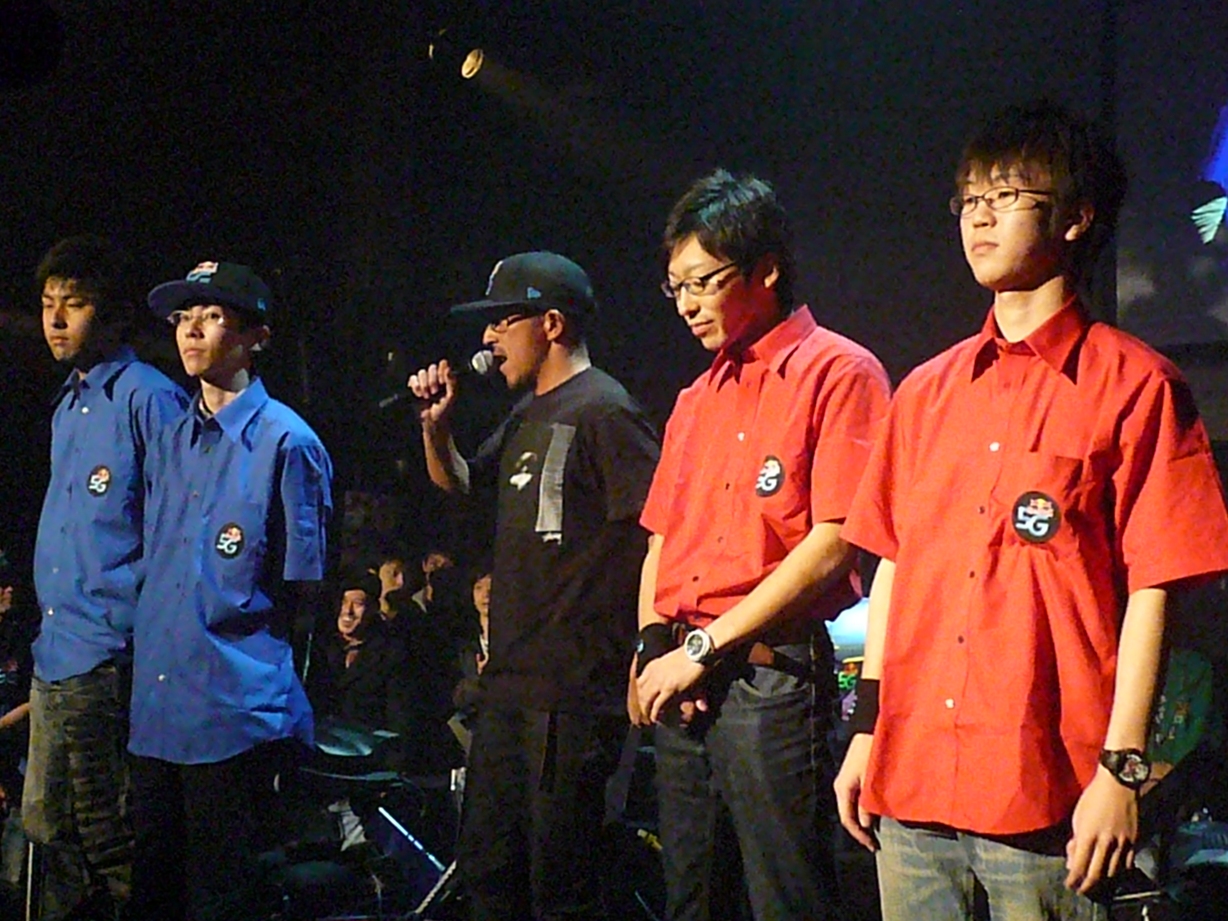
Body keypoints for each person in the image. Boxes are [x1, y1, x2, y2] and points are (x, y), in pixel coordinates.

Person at [833, 100, 1228, 921]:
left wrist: (1122, 769)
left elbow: (1155, 587)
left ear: (1076, 217)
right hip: (911, 785)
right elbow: (894, 565)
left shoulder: (1137, 386)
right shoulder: (925, 392)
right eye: (970, 198)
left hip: (1049, 798)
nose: (979, 216)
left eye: (1007, 196)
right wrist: (867, 728)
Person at [631, 169, 891, 921]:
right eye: (675, 287)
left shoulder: (839, 372)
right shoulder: (696, 397)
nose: (686, 304)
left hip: (769, 681)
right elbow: (661, 537)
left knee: (787, 896)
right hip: (684, 679)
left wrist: (704, 646)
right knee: (692, 898)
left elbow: (835, 541)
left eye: (702, 282)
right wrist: (653, 647)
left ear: (766, 270)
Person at [407, 251, 660, 919]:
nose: (488, 338)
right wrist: (436, 429)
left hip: (572, 694)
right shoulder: (525, 415)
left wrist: (645, 649)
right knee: (489, 874)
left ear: (551, 323)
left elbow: (655, 533)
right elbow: (463, 483)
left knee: (560, 887)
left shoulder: (606, 410)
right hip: (509, 688)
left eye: (502, 320)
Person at [128, 261, 333, 921]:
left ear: (256, 337)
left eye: (212, 316)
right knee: (152, 894)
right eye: (183, 316)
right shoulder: (167, 438)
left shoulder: (288, 442)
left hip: (233, 716)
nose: (191, 330)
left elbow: (305, 591)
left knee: (224, 897)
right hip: (157, 713)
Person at [26, 236, 188, 920]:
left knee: (113, 840)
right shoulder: (67, 404)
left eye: (75, 303)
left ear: (113, 314)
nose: (56, 319)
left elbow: (179, 527)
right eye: (47, 304)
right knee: (47, 832)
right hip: (55, 651)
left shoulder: (150, 398)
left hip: (109, 657)